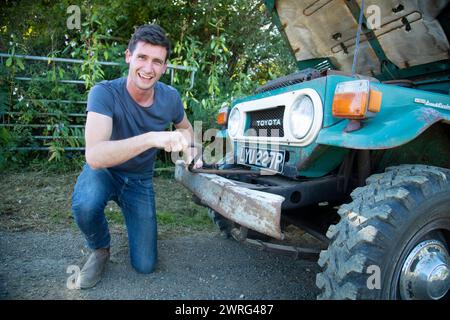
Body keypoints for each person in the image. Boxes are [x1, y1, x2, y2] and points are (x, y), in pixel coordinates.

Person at [71, 24, 200, 289]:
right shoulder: (104, 93)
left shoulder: (171, 98)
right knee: (85, 203)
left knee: (145, 265)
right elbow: (94, 155)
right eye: (142, 57)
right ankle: (99, 249)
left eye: (157, 61)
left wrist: (192, 152)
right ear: (129, 56)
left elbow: (186, 129)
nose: (148, 68)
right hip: (105, 172)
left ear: (164, 67)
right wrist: (152, 138)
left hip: (139, 180)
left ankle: (135, 234)